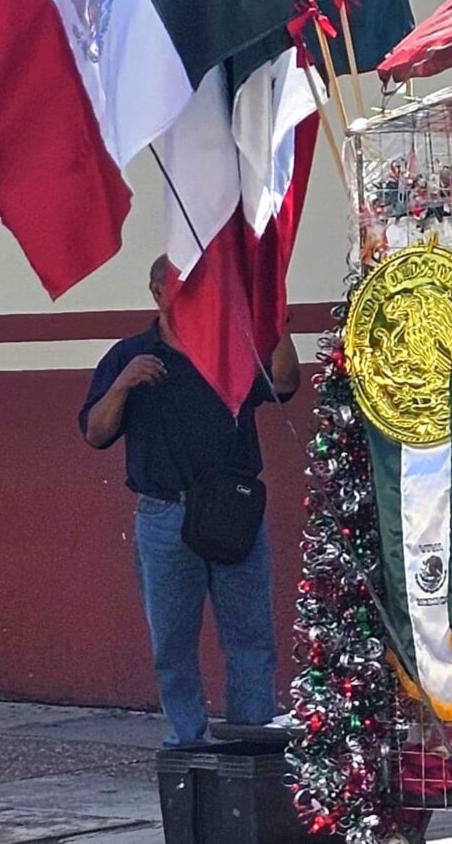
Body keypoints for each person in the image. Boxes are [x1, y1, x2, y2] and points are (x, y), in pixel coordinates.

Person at [81, 256, 302, 748]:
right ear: (157, 292)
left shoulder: (229, 348)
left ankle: (252, 736)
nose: (193, 296)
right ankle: (190, 742)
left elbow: (285, 383)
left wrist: (280, 328)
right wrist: (123, 384)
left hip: (233, 509)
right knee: (173, 641)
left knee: (250, 633)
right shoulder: (129, 355)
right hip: (165, 514)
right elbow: (95, 433)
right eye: (181, 288)